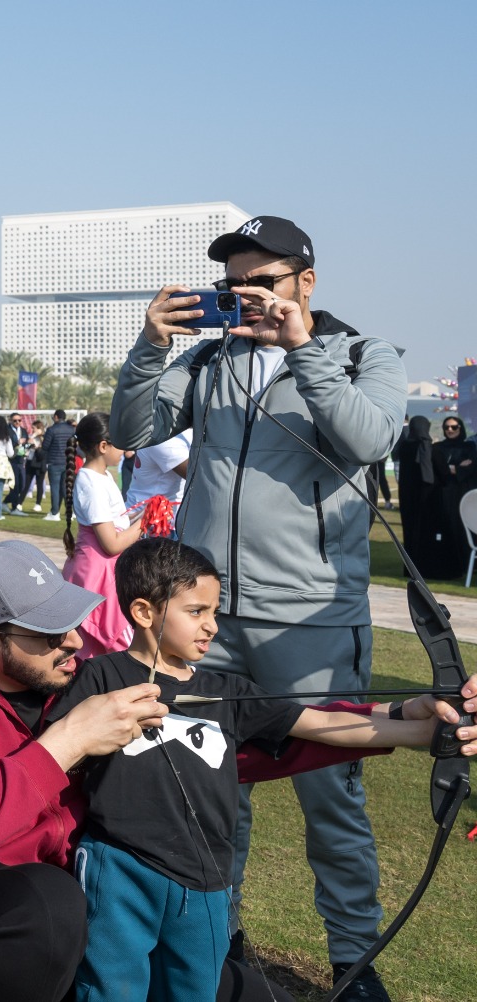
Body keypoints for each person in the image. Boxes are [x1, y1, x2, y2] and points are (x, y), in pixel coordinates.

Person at [0, 537, 477, 1002]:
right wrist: (69, 739)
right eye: (49, 634)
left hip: (70, 933)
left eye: (72, 620)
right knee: (44, 906)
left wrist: (412, 723)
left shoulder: (68, 672)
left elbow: (225, 739)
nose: (73, 642)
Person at [111, 215, 408, 998]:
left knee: (331, 805)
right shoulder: (210, 360)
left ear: (306, 283)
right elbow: (130, 432)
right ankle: (219, 950)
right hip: (209, 622)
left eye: (263, 283)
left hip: (311, 621)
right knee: (212, 800)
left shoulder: (360, 354)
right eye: (233, 285)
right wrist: (151, 348)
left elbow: (369, 437)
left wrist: (302, 347)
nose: (247, 299)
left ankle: (355, 963)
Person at [49, 538, 446, 1002]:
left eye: (214, 612)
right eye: (196, 611)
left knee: (195, 989)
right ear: (143, 612)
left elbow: (323, 723)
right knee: (109, 988)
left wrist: (424, 730)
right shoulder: (100, 679)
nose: (212, 626)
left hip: (208, 880)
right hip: (118, 868)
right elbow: (59, 750)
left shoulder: (228, 691)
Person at [61, 412, 141, 660]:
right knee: (103, 648)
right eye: (121, 442)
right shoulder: (91, 483)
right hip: (97, 576)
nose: (125, 449)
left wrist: (144, 513)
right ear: (103, 446)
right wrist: (145, 523)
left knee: (98, 651)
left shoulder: (103, 476)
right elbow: (111, 544)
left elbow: (116, 523)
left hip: (104, 572)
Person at [428, 415, 477, 579]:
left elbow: (471, 468)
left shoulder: (469, 447)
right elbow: (441, 469)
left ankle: (468, 565)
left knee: (467, 529)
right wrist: (457, 467)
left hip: (465, 493)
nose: (450, 430)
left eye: (454, 427)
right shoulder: (438, 447)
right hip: (446, 493)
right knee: (449, 527)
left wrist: (451, 468)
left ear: (460, 428)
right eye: (447, 427)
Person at [394, 416, 437, 572]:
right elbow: (429, 475)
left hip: (406, 494)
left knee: (409, 530)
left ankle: (408, 567)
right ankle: (423, 565)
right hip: (423, 494)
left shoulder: (405, 445)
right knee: (424, 529)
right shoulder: (425, 446)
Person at [123, 427, 191, 512]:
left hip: (163, 515)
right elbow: (199, 478)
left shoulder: (182, 433)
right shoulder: (164, 439)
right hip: (149, 520)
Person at [41, 408, 75, 521]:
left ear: (56, 417)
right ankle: (70, 512)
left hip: (54, 462)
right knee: (67, 488)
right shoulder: (71, 430)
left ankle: (55, 513)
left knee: (55, 488)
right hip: (68, 462)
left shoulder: (51, 430)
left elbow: (45, 446)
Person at [24, 419, 47, 512]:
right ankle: (19, 503)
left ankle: (38, 504)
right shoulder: (32, 436)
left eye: (33, 428)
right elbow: (26, 448)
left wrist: (37, 446)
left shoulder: (43, 437)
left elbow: (43, 450)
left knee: (40, 484)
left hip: (39, 463)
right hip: (30, 462)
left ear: (39, 428)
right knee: (27, 483)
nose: (32, 430)